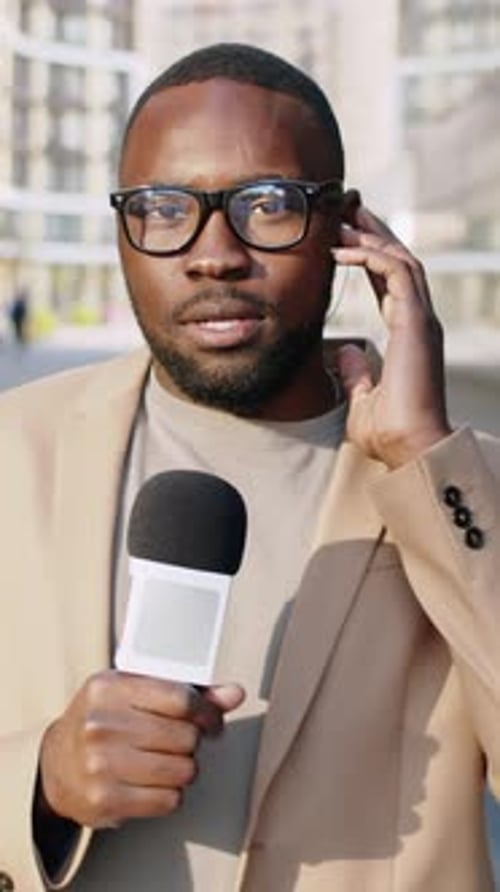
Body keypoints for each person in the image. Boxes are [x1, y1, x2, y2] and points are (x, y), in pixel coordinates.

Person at [0, 42, 499, 892]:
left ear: (346, 225)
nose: (214, 253)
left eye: (267, 205)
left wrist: (423, 459)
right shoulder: (15, 448)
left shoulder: (465, 488)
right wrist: (39, 782)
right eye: (163, 208)